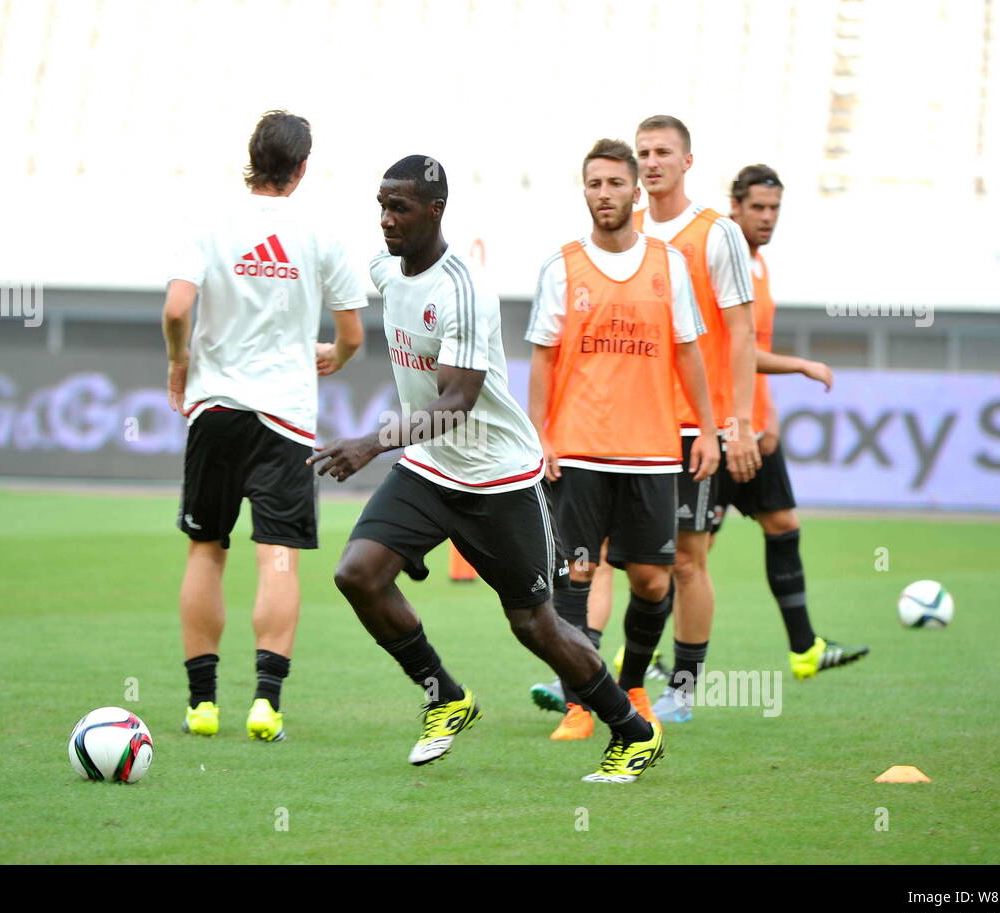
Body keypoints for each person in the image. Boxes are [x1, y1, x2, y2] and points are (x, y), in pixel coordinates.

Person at [308, 154, 664, 783]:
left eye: (401, 208)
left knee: (534, 624)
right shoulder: (386, 271)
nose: (387, 220)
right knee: (358, 574)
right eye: (382, 206)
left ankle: (632, 733)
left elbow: (456, 402)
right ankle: (445, 695)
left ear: (435, 211)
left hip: (499, 477)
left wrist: (369, 442)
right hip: (430, 469)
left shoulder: (462, 289)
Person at [162, 110, 367, 742]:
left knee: (207, 548)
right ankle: (265, 703)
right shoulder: (322, 232)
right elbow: (352, 334)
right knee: (277, 556)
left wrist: (179, 362)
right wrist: (336, 354)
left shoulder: (210, 223)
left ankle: (202, 704)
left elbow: (176, 308)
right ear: (302, 168)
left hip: (217, 408)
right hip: (285, 417)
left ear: (251, 159)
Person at [522, 139, 718, 741]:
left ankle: (632, 686)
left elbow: (688, 352)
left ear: (637, 191)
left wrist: (707, 429)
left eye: (613, 184)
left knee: (653, 580)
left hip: (654, 451)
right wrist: (541, 436)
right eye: (593, 184)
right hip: (580, 449)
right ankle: (583, 703)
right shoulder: (562, 266)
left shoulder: (669, 264)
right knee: (578, 572)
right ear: (584, 192)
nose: (603, 194)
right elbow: (544, 359)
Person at [628, 114, 762, 723]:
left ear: (687, 162)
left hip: (690, 426)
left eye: (662, 152)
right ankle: (599, 686)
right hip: (628, 426)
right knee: (611, 556)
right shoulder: (622, 230)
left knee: (686, 558)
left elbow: (739, 334)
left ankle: (682, 687)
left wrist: (734, 423)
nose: (651, 162)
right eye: (642, 152)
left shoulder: (716, 233)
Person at [719, 163, 869, 677]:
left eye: (774, 208)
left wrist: (772, 411)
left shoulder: (759, 266)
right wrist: (801, 365)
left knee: (783, 524)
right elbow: (729, 351)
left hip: (755, 424)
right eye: (756, 207)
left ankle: (804, 648)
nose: (766, 217)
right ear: (733, 206)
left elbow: (750, 349)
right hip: (718, 425)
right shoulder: (722, 261)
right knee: (682, 559)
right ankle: (629, 665)